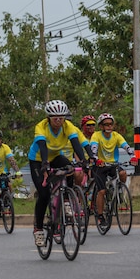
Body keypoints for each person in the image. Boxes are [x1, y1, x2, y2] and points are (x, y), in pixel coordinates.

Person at [28, 100, 87, 247]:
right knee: (44, 194)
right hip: (38, 159)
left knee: (70, 168)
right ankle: (38, 228)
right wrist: (45, 164)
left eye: (62, 117)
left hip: (55, 157)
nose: (59, 121)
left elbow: (76, 143)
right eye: (55, 118)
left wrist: (85, 160)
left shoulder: (68, 126)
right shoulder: (41, 127)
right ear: (49, 118)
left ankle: (66, 199)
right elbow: (42, 146)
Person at [89, 113, 137, 224]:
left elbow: (126, 146)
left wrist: (133, 156)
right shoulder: (96, 135)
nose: (109, 127)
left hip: (113, 164)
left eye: (111, 124)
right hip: (100, 166)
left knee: (123, 173)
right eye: (106, 125)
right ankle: (100, 216)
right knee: (101, 191)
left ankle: (119, 191)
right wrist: (97, 159)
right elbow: (93, 150)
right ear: (101, 126)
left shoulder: (116, 136)